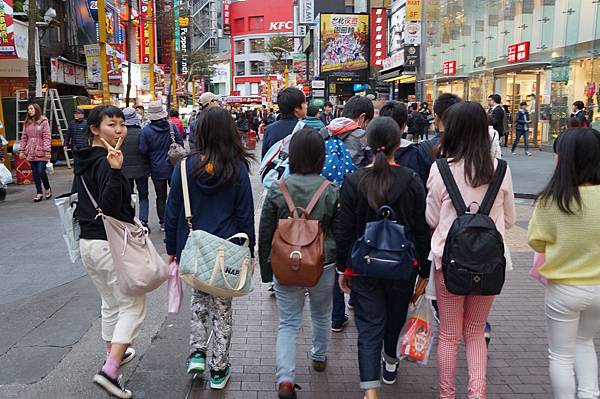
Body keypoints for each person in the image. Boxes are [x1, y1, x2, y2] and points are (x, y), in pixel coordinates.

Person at [335, 117, 431, 399]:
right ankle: (390, 362)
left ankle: (370, 390)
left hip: (363, 266)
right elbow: (420, 228)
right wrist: (424, 269)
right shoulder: (412, 180)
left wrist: (343, 267)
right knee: (395, 316)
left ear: (367, 142)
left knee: (368, 326)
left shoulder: (354, 181)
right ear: (398, 143)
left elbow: (345, 229)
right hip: (404, 266)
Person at [426, 101, 515, 399]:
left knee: (449, 336)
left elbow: (432, 218)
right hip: (490, 264)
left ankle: (447, 395)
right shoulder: (501, 170)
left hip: (449, 264)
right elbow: (512, 220)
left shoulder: (440, 170)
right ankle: (477, 394)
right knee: (476, 331)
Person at [164, 107, 255, 390]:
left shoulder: (183, 168)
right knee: (223, 309)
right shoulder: (238, 168)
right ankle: (218, 369)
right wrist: (248, 252)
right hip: (226, 251)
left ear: (199, 132)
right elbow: (245, 215)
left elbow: (172, 213)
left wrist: (171, 248)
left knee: (199, 302)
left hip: (193, 248)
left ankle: (197, 354)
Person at [258, 128, 339, 399]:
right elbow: (339, 232)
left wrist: (267, 271)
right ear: (320, 156)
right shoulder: (330, 191)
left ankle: (285, 379)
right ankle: (318, 356)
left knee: (288, 322)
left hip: (285, 263)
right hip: (322, 263)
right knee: (321, 313)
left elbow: (265, 231)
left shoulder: (277, 190)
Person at [73, 105, 142, 399]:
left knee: (110, 303)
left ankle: (113, 354)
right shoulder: (105, 162)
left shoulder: (84, 160)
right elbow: (112, 206)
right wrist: (116, 172)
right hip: (108, 243)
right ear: (94, 129)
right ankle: (110, 371)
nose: (119, 130)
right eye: (112, 125)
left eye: (121, 124)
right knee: (133, 306)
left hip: (88, 243)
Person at [528, 128, 600, 399]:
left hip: (564, 288)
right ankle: (590, 394)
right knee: (585, 341)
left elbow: (536, 242)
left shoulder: (552, 199)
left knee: (560, 354)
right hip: (599, 287)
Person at [139, 100, 183, 231]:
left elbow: (143, 150)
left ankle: (163, 222)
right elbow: (180, 142)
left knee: (161, 196)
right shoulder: (171, 127)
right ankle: (178, 218)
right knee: (177, 193)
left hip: (156, 168)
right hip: (174, 166)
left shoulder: (146, 131)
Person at [318, 95, 374, 168]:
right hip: (355, 178)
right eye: (367, 123)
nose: (366, 127)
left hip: (324, 179)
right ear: (362, 118)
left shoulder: (323, 132)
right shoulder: (364, 137)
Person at [121, 108, 151, 231]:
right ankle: (143, 221)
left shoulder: (119, 134)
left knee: (128, 195)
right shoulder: (142, 132)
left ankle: (130, 219)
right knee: (143, 195)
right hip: (142, 170)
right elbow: (146, 151)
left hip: (124, 171)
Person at [19, 103, 52, 202]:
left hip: (41, 150)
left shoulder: (43, 121)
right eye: (28, 109)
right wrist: (22, 150)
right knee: (35, 173)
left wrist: (47, 150)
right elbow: (24, 137)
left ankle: (47, 188)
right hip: (31, 151)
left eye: (31, 109)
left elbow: (47, 136)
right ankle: (39, 192)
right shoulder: (27, 122)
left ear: (36, 110)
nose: (29, 111)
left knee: (41, 171)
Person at [261, 88, 307, 158]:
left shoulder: (269, 130)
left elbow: (265, 158)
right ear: (297, 108)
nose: (306, 106)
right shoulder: (307, 130)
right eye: (304, 103)